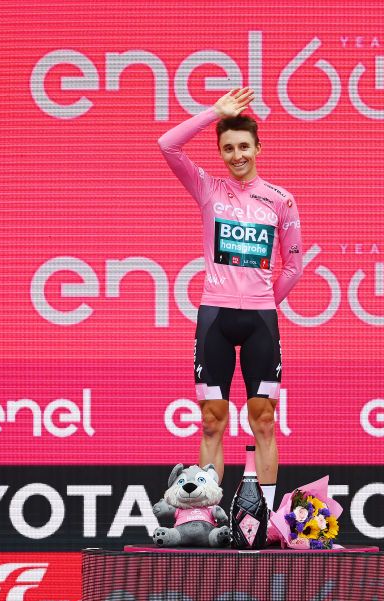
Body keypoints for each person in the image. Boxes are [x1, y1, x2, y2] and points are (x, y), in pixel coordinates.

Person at [158, 88, 303, 509]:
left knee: (264, 420)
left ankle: (268, 516)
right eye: (227, 148)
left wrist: (262, 302)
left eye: (243, 146)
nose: (236, 155)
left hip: (259, 320)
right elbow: (167, 144)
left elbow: (293, 266)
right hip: (215, 317)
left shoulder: (281, 199)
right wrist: (213, 113)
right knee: (211, 423)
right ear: (220, 152)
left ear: (258, 147)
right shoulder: (208, 188)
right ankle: (203, 516)